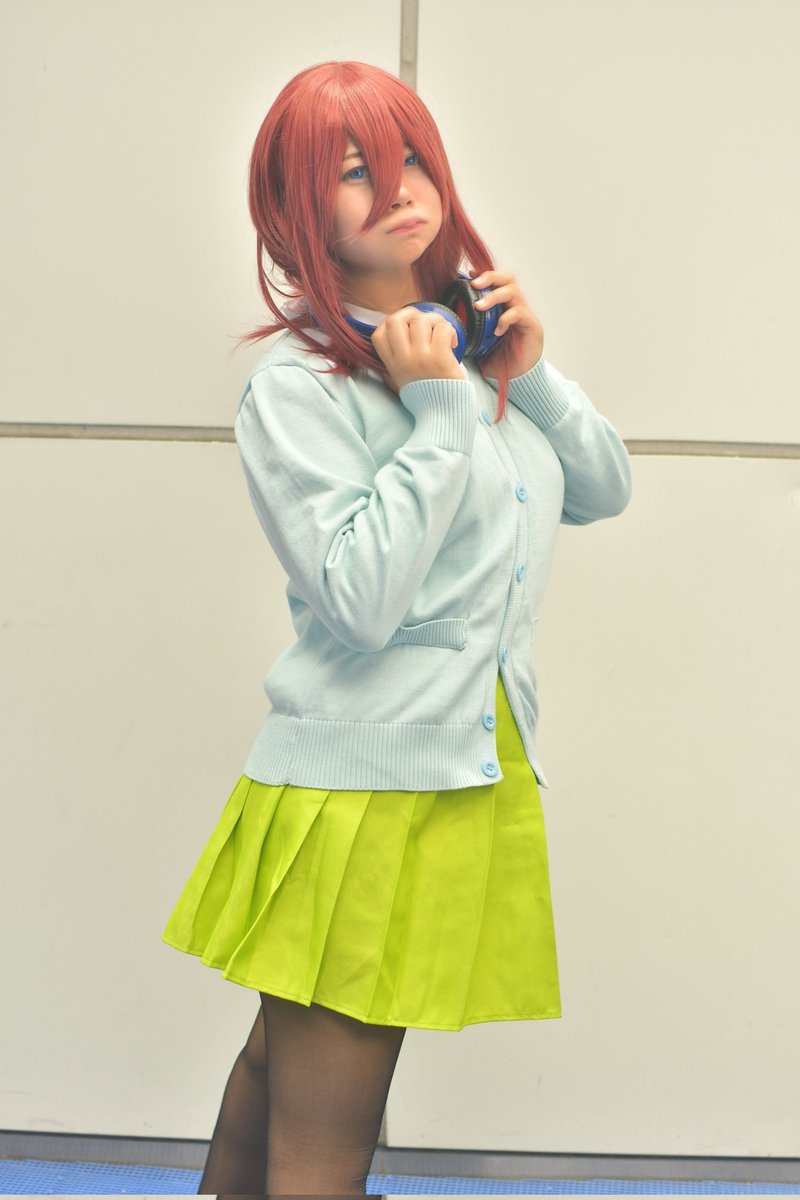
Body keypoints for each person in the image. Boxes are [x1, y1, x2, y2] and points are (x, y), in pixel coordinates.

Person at [161, 59, 631, 1197]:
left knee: (278, 1077)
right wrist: (439, 411)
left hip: (457, 766)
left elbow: (601, 490)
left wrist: (528, 375)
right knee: (327, 1129)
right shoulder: (300, 388)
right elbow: (361, 600)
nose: (397, 188)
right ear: (298, 208)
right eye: (353, 171)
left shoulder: (467, 347)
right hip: (359, 789)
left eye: (410, 155)